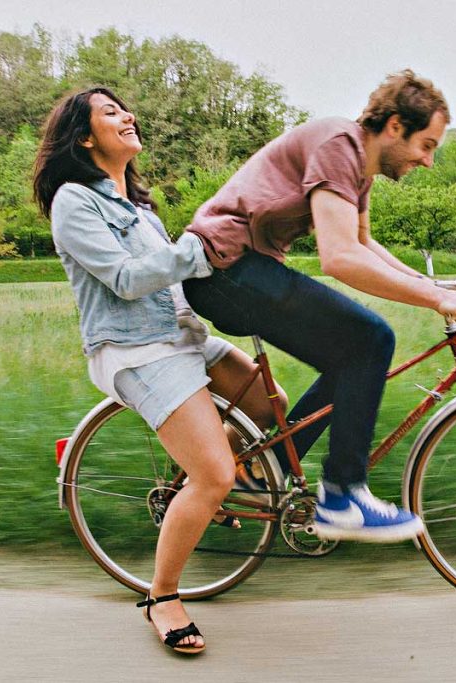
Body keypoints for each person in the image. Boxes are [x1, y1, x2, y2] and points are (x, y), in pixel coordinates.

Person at [183, 70, 456, 543]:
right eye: (426, 145)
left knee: (353, 359)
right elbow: (340, 258)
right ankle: (342, 496)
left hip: (242, 272)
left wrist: (437, 284)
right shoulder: (337, 145)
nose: (428, 161)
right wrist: (438, 299)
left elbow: (364, 242)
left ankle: (261, 474)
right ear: (393, 126)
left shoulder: (357, 167)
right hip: (224, 269)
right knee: (371, 339)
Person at [34, 87, 284, 655]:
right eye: (110, 112)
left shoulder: (139, 207)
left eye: (126, 108)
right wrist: (202, 248)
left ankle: (208, 478)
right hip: (136, 351)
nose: (127, 115)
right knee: (215, 475)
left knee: (272, 406)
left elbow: (172, 279)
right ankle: (162, 595)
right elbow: (125, 279)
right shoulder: (76, 202)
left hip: (183, 338)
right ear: (83, 136)